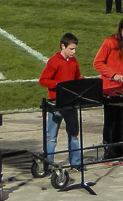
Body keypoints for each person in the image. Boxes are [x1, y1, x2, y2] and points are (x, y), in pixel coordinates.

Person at [93, 16, 123, 165]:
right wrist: (113, 75)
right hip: (109, 88)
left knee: (121, 122)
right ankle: (109, 155)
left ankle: (121, 153)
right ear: (121, 29)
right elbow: (98, 63)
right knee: (110, 122)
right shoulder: (109, 43)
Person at [38, 32, 83, 170]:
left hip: (71, 103)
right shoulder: (54, 61)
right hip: (56, 104)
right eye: (71, 49)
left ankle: (76, 162)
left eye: (75, 49)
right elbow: (43, 80)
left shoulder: (74, 61)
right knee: (51, 136)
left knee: (74, 135)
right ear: (63, 46)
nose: (74, 52)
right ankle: (49, 163)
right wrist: (58, 85)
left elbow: (77, 78)